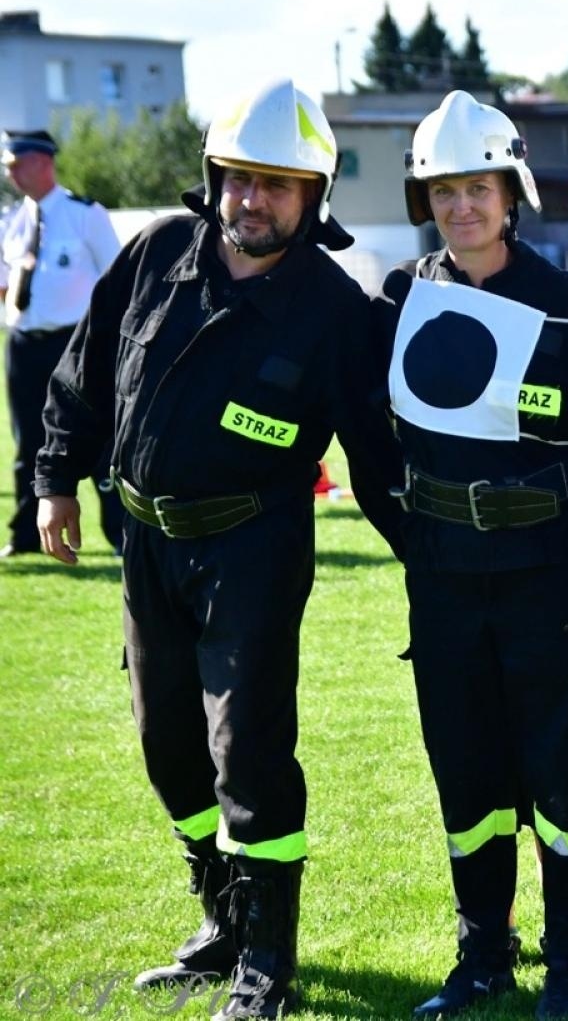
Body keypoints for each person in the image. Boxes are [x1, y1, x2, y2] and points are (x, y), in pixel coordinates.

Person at [33, 79, 404, 1019]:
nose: (254, 199)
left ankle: (267, 961)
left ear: (313, 197)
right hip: (146, 545)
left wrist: (432, 559)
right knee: (167, 747)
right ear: (214, 180)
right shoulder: (159, 251)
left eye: (277, 184)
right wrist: (53, 479)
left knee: (248, 752)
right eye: (240, 178)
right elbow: (84, 370)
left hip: (253, 549)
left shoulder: (335, 310)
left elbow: (374, 451)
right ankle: (223, 920)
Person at [379, 91, 568, 1019]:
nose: (462, 207)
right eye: (444, 191)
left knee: (564, 770)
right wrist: (412, 534)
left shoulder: (567, 306)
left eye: (478, 189)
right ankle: (483, 951)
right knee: (467, 772)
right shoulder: (400, 298)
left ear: (511, 194)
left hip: (551, 578)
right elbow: (369, 436)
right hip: (445, 581)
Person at [1, 130, 124, 556]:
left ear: (43, 162)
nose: (11, 173)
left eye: (16, 164)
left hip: (74, 345)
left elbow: (117, 280)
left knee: (99, 439)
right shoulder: (11, 220)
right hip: (23, 343)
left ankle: (120, 533)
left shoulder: (85, 215)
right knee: (27, 441)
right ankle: (26, 535)